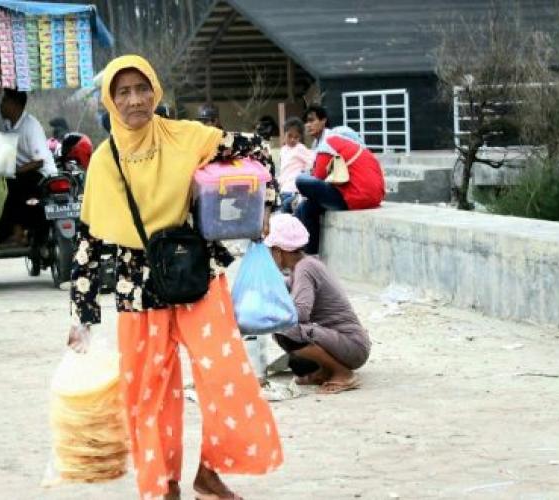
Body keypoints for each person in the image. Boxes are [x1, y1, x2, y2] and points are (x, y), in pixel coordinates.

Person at [67, 55, 282, 500]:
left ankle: (211, 471)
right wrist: (82, 314)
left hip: (195, 273)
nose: (135, 100)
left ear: (156, 90)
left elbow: (258, 149)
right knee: (149, 393)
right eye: (123, 92)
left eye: (141, 88)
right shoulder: (104, 161)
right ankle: (162, 484)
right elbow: (89, 239)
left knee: (226, 375)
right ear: (110, 100)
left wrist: (266, 207)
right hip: (136, 285)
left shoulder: (188, 136)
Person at [264, 214, 370, 394]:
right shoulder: (305, 265)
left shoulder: (305, 268)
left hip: (352, 346)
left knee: (286, 329)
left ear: (278, 251)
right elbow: (282, 287)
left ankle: (343, 374)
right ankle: (325, 370)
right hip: (346, 343)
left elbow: (301, 313)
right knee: (284, 334)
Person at [293, 128, 385, 255]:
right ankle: (309, 253)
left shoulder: (328, 144)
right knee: (306, 207)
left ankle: (307, 252)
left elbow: (319, 177)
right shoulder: (361, 149)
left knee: (301, 180)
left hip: (354, 197)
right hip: (374, 198)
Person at [0, 89, 57, 245]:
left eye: (4, 101)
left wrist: (15, 171)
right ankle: (10, 233)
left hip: (42, 174)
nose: (0, 105)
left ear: (14, 104)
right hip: (23, 174)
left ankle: (17, 233)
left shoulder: (30, 126)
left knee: (14, 189)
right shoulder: (7, 126)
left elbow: (39, 161)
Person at [278, 117, 315, 213]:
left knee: (287, 211)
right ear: (284, 134)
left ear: (300, 137)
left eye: (296, 137)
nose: (292, 139)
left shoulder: (300, 148)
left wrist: (305, 171)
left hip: (294, 191)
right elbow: (283, 170)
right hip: (283, 190)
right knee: (287, 216)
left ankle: (297, 201)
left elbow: (312, 161)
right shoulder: (283, 150)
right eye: (289, 136)